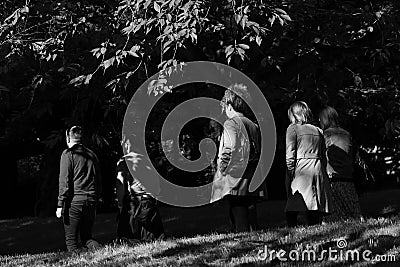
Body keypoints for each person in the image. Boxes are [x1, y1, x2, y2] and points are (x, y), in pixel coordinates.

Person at [211, 85, 266, 232]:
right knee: (251, 210)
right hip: (253, 174)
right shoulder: (253, 125)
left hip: (236, 176)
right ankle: (256, 236)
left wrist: (222, 169)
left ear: (229, 105)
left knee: (238, 210)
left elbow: (230, 147)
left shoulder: (231, 123)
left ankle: (242, 239)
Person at [285, 101, 332, 227]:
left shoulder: (292, 129)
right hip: (317, 168)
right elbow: (324, 154)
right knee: (314, 204)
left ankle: (292, 231)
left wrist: (290, 173)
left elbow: (290, 154)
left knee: (293, 204)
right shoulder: (318, 130)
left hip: (301, 169)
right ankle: (314, 230)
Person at [56, 126, 102, 251]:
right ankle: (102, 253)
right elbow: (98, 181)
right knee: (87, 238)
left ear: (67, 138)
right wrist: (95, 198)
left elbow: (64, 181)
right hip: (91, 200)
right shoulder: (92, 155)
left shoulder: (68, 154)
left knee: (71, 242)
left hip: (74, 202)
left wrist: (60, 204)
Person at [318, 106, 362, 221]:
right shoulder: (346, 134)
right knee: (353, 214)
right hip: (348, 177)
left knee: (334, 216)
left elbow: (321, 157)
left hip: (332, 178)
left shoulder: (324, 135)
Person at [115, 149, 165, 242]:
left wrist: (120, 204)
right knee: (154, 240)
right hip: (150, 202)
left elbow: (120, 185)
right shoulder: (147, 159)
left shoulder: (125, 160)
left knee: (127, 240)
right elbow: (157, 185)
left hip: (135, 204)